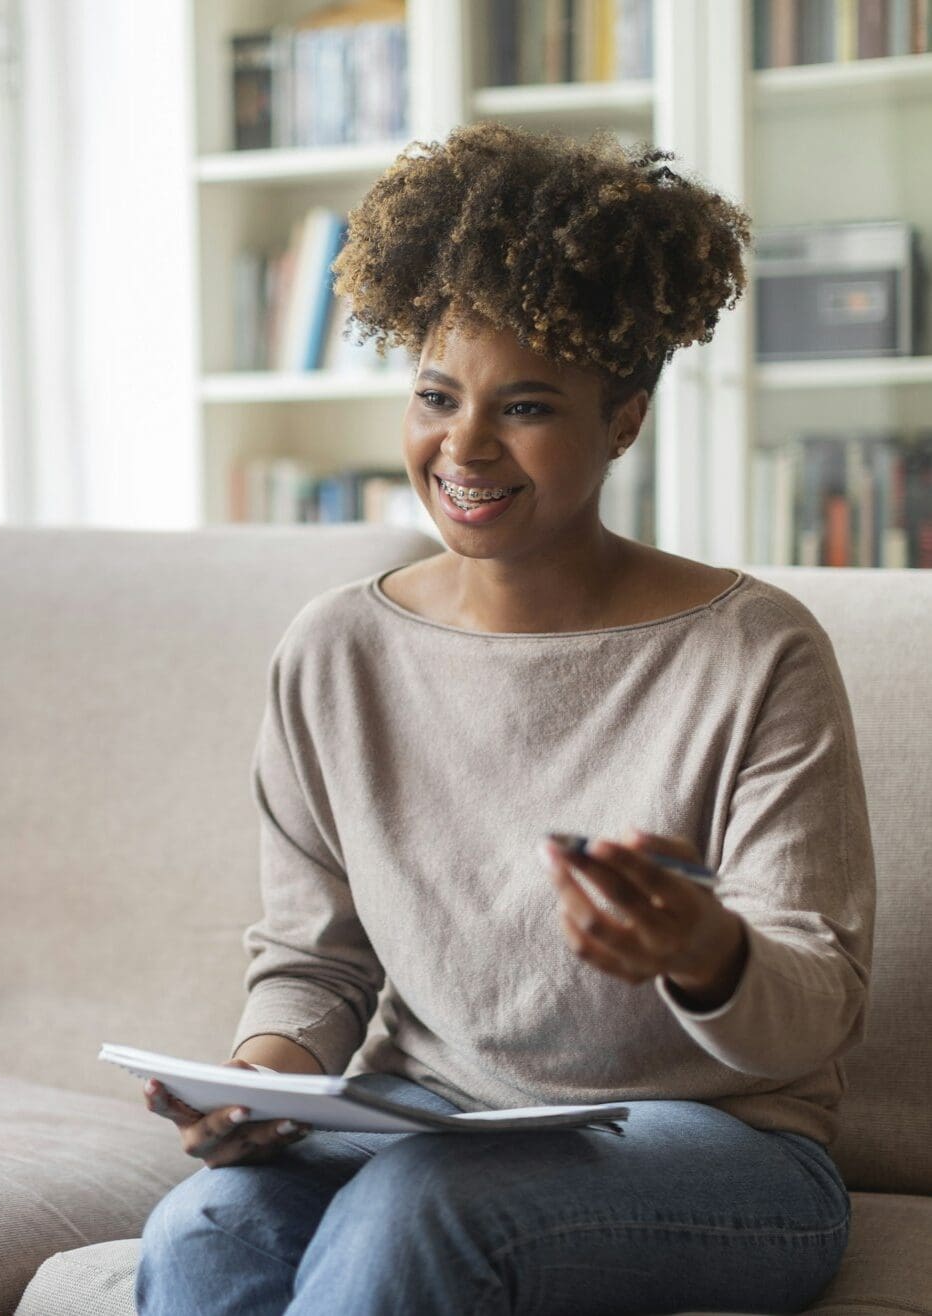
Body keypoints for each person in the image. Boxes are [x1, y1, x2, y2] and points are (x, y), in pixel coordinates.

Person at [135, 123, 874, 1316]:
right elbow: (315, 961)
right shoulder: (337, 649)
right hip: (429, 1123)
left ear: (623, 418)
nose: (464, 447)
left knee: (426, 1203)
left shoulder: (755, 650)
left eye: (525, 404)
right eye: (437, 396)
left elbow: (817, 1007)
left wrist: (702, 948)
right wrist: (261, 1081)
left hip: (728, 1151)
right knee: (210, 1225)